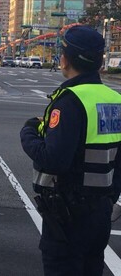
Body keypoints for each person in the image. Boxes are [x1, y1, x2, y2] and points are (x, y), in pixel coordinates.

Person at [20, 25, 121, 275]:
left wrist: (28, 133)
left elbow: (53, 160)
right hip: (100, 214)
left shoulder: (70, 101)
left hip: (67, 217)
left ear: (65, 59)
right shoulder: (114, 99)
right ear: (99, 62)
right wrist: (109, 199)